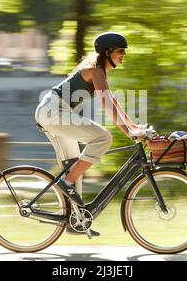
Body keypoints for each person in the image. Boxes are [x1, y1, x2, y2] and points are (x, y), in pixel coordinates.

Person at [35, 32, 147, 236]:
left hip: (56, 112)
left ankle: (75, 221)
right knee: (103, 137)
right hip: (53, 111)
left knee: (74, 166)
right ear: (107, 52)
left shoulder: (100, 72)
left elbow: (112, 101)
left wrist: (132, 127)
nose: (124, 54)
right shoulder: (95, 70)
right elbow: (106, 104)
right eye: (121, 51)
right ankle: (67, 183)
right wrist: (128, 131)